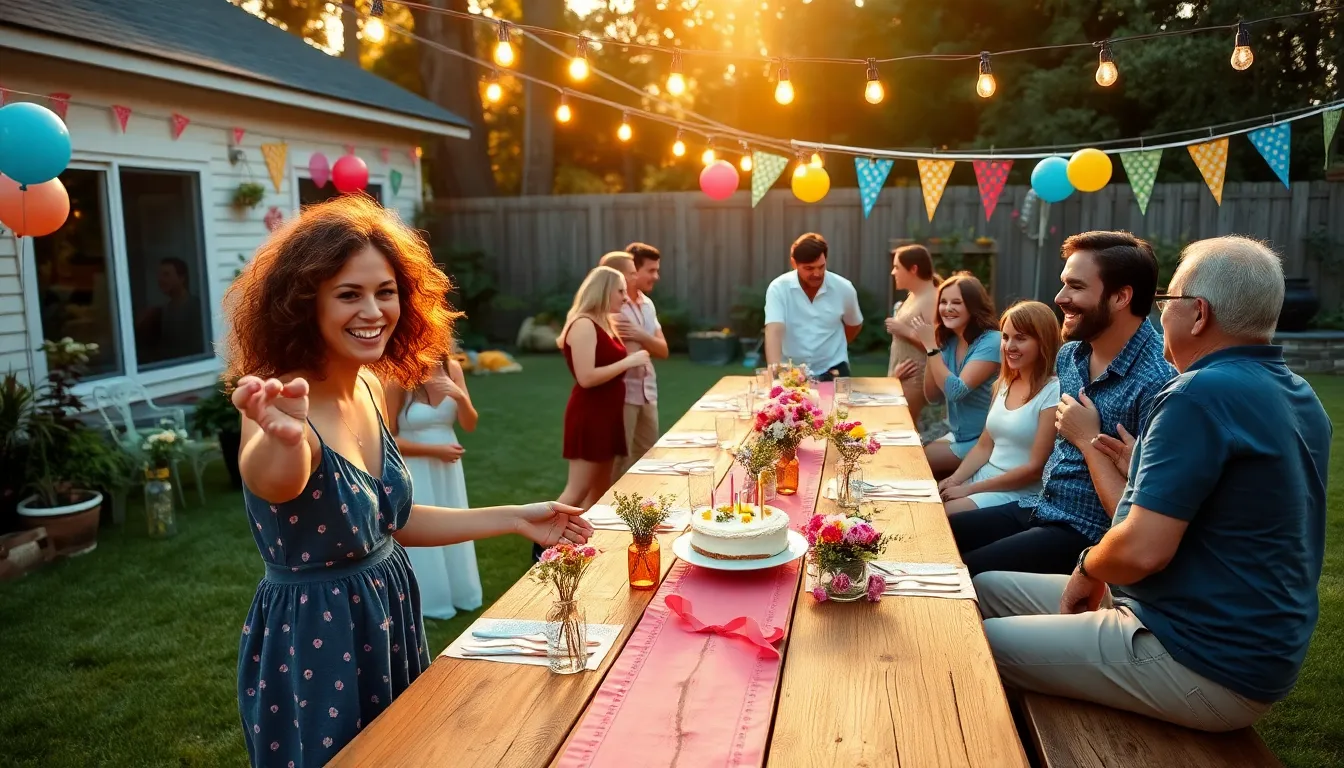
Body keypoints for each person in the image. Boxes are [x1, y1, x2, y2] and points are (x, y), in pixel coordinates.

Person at [222, 195, 591, 766]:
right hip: (318, 639)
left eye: (385, 291)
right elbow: (275, 482)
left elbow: (391, 524)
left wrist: (518, 518)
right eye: (349, 294)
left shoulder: (370, 385)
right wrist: (283, 436)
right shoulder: (277, 400)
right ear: (304, 304)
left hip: (387, 612)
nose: (373, 310)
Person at [974, 236, 1331, 732]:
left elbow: (1142, 551)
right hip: (1219, 632)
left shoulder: (1195, 394)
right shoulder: (1298, 393)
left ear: (1198, 314)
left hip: (1200, 655)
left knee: (972, 644)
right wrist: (1140, 462)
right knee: (986, 588)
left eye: (1166, 303)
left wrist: (1086, 568)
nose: (1159, 314)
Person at [948, 231, 1176, 576]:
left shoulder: (1158, 382)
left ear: (1121, 297)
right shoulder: (1070, 355)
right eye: (1063, 284)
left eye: (1076, 287)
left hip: (1086, 534)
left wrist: (1089, 438)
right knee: (938, 534)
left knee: (965, 573)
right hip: (1041, 506)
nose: (1059, 298)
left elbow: (1139, 518)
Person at [531, 265, 649, 561]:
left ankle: (582, 549)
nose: (625, 296)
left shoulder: (604, 322)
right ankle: (540, 547)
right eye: (620, 290)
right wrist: (629, 361)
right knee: (577, 490)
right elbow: (586, 377)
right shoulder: (583, 324)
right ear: (603, 290)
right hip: (590, 414)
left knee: (600, 490)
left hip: (607, 415)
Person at [385, 352, 482, 621]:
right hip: (417, 467)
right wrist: (433, 450)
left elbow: (469, 424)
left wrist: (460, 396)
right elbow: (388, 439)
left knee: (455, 520)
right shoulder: (399, 375)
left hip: (448, 466)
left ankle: (462, 594)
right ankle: (429, 599)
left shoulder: (452, 367)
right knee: (423, 526)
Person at [939, 301, 1061, 514]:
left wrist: (968, 489)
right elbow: (984, 446)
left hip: (1017, 490)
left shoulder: (1053, 392)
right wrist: (954, 480)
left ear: (1044, 342)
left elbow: (1034, 469)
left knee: (943, 517)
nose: (1009, 346)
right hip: (983, 478)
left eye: (1021, 338)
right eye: (1005, 337)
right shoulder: (1004, 383)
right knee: (928, 501)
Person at [911, 272, 1000, 478]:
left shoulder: (991, 341)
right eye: (943, 302)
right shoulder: (949, 342)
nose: (948, 308)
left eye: (957, 302)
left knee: (916, 464)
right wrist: (932, 347)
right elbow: (932, 396)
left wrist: (931, 348)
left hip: (983, 440)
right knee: (911, 452)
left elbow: (955, 392)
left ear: (973, 306)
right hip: (959, 435)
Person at [763, 232, 863, 381]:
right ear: (793, 263)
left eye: (821, 267)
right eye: (809, 268)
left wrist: (833, 348)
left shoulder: (844, 288)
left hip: (834, 369)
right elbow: (774, 330)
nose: (817, 273)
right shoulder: (778, 288)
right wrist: (774, 370)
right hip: (791, 371)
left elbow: (854, 324)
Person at [611, 243, 668, 479]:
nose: (656, 276)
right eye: (650, 270)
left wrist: (641, 335)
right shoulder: (614, 307)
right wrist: (646, 342)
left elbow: (663, 350)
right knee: (619, 462)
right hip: (623, 393)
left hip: (648, 391)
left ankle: (643, 512)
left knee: (648, 458)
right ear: (631, 271)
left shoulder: (648, 305)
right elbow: (631, 353)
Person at [886, 245, 940, 426]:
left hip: (916, 382)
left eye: (897, 267)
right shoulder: (913, 296)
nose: (893, 272)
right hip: (900, 377)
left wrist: (904, 331)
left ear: (914, 269)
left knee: (906, 434)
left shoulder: (932, 298)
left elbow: (938, 345)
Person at [135, 257, 204, 364]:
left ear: (181, 278)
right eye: (159, 275)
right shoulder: (165, 309)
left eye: (166, 275)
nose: (160, 279)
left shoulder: (196, 307)